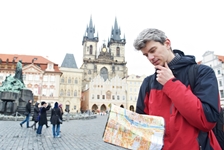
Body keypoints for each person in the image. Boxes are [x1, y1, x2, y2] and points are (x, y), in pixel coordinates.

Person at [133, 28, 221, 150]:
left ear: (167, 43)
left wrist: (171, 84)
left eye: (153, 50)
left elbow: (207, 120)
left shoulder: (202, 73)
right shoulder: (148, 83)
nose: (150, 57)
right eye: (146, 55)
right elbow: (143, 128)